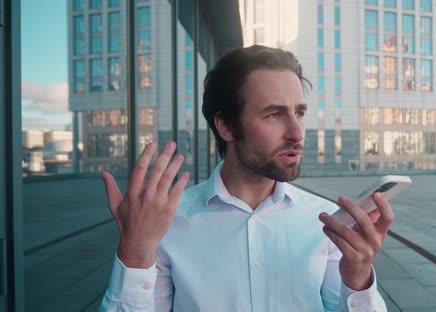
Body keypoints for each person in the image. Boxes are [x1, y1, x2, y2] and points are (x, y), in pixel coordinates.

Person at [99, 45, 393, 311]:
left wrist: (358, 279)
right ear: (226, 126)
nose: (297, 132)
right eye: (274, 114)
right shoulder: (166, 222)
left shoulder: (326, 221)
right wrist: (135, 253)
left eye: (299, 112)